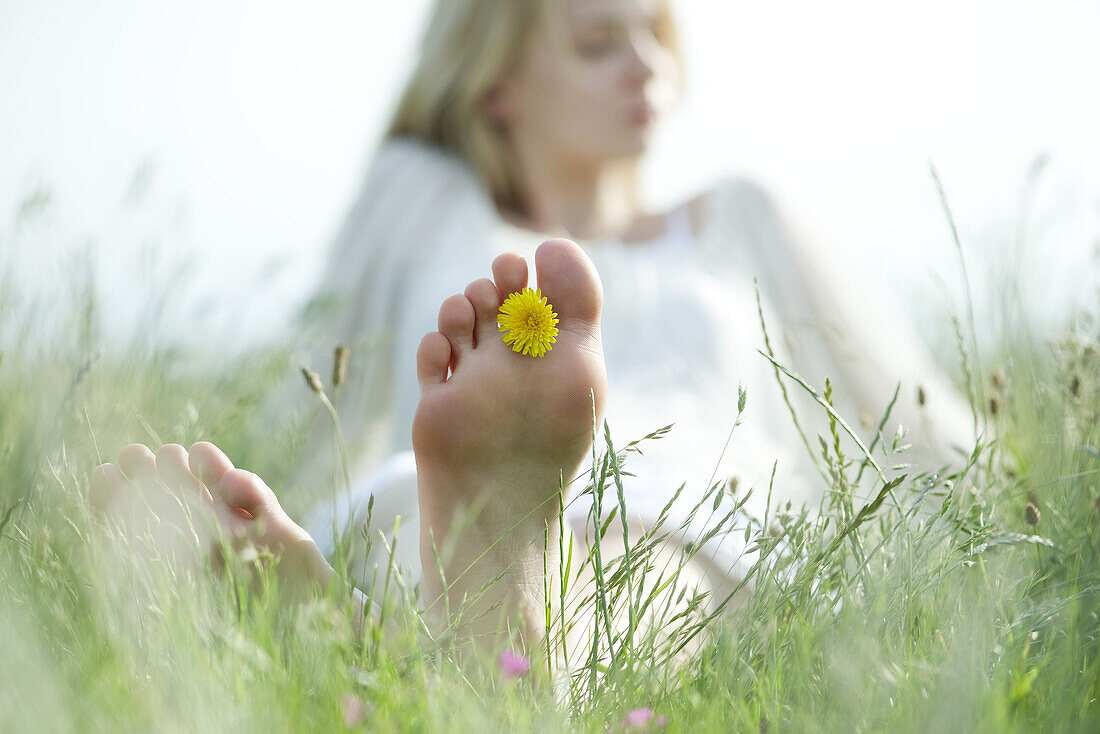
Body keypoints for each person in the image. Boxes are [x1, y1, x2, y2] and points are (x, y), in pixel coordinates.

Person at [90, 0, 972, 662]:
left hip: (685, 505)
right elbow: (308, 399)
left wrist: (946, 578)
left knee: (645, 561)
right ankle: (488, 640)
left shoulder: (742, 216)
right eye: (597, 44)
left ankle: (386, 643)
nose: (645, 68)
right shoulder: (425, 199)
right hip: (431, 494)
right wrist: (236, 489)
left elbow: (928, 439)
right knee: (412, 510)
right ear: (494, 82)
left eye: (652, 35)